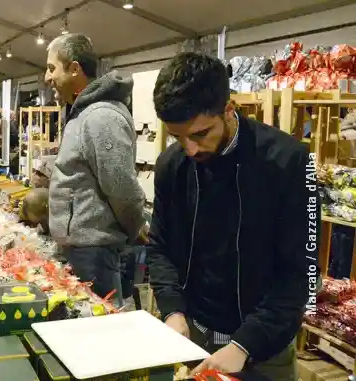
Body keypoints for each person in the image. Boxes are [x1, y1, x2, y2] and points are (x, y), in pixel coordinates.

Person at [147, 52, 314, 379]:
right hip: (193, 338)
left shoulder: (287, 162)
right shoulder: (172, 165)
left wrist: (245, 344)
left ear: (228, 109)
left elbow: (299, 273)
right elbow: (160, 247)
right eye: (178, 137)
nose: (190, 149)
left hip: (264, 350)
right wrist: (172, 310)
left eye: (200, 134)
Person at [44, 33, 145, 306]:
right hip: (85, 250)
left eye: (52, 68)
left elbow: (121, 187)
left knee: (97, 334)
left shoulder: (100, 116)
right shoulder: (82, 113)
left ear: (75, 69)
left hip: (95, 254)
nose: (46, 77)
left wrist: (132, 231)